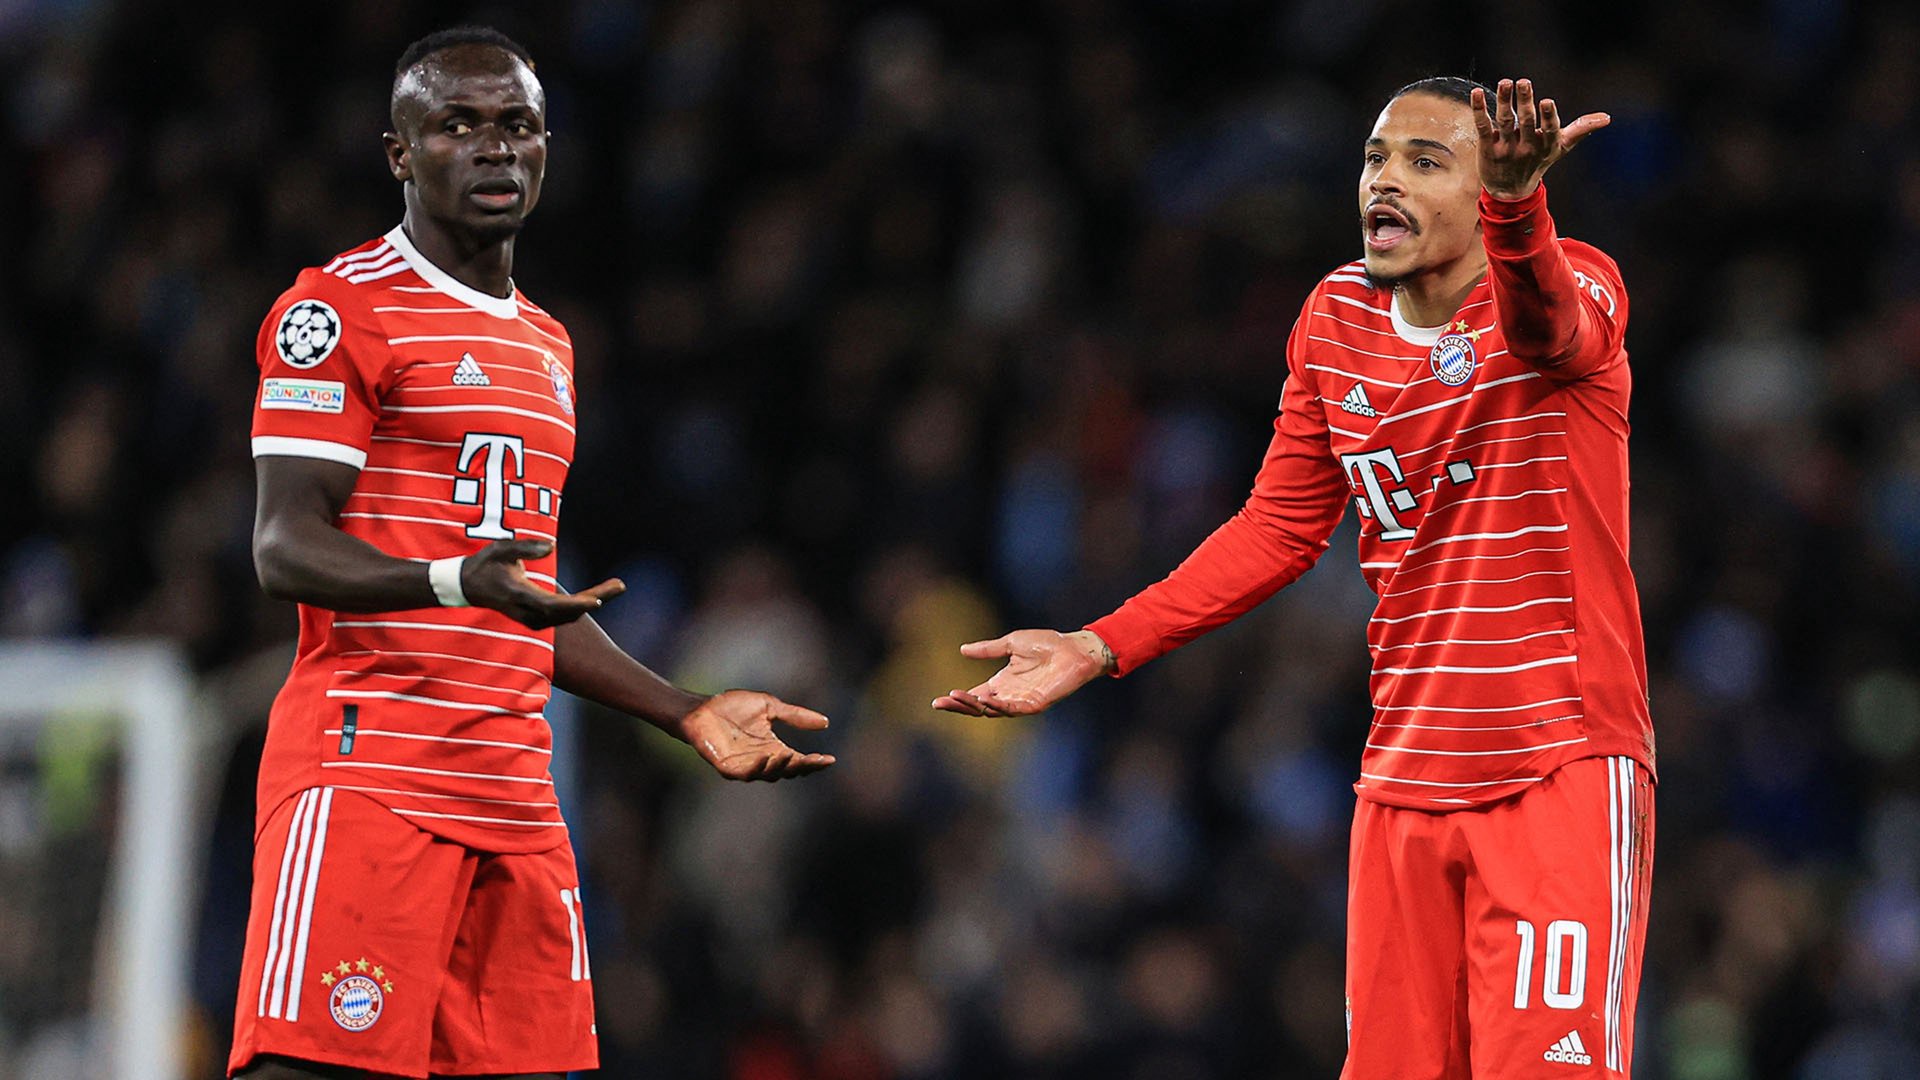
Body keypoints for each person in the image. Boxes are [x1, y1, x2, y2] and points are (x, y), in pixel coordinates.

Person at [937, 76, 1655, 1079]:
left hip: (1555, 771)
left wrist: (1520, 209)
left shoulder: (1577, 282)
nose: (1385, 182)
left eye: (1425, 160)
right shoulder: (1334, 320)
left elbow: (1550, 333)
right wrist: (1102, 643)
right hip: (1401, 787)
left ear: (1487, 186)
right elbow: (1277, 531)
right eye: (1375, 157)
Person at [231, 27, 834, 1080]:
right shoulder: (338, 309)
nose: (493, 148)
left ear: (548, 148)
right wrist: (450, 580)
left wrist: (684, 709)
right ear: (399, 154)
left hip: (514, 797)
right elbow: (283, 545)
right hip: (368, 775)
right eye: (457, 125)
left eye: (515, 125)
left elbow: (528, 602)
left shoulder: (548, 345)